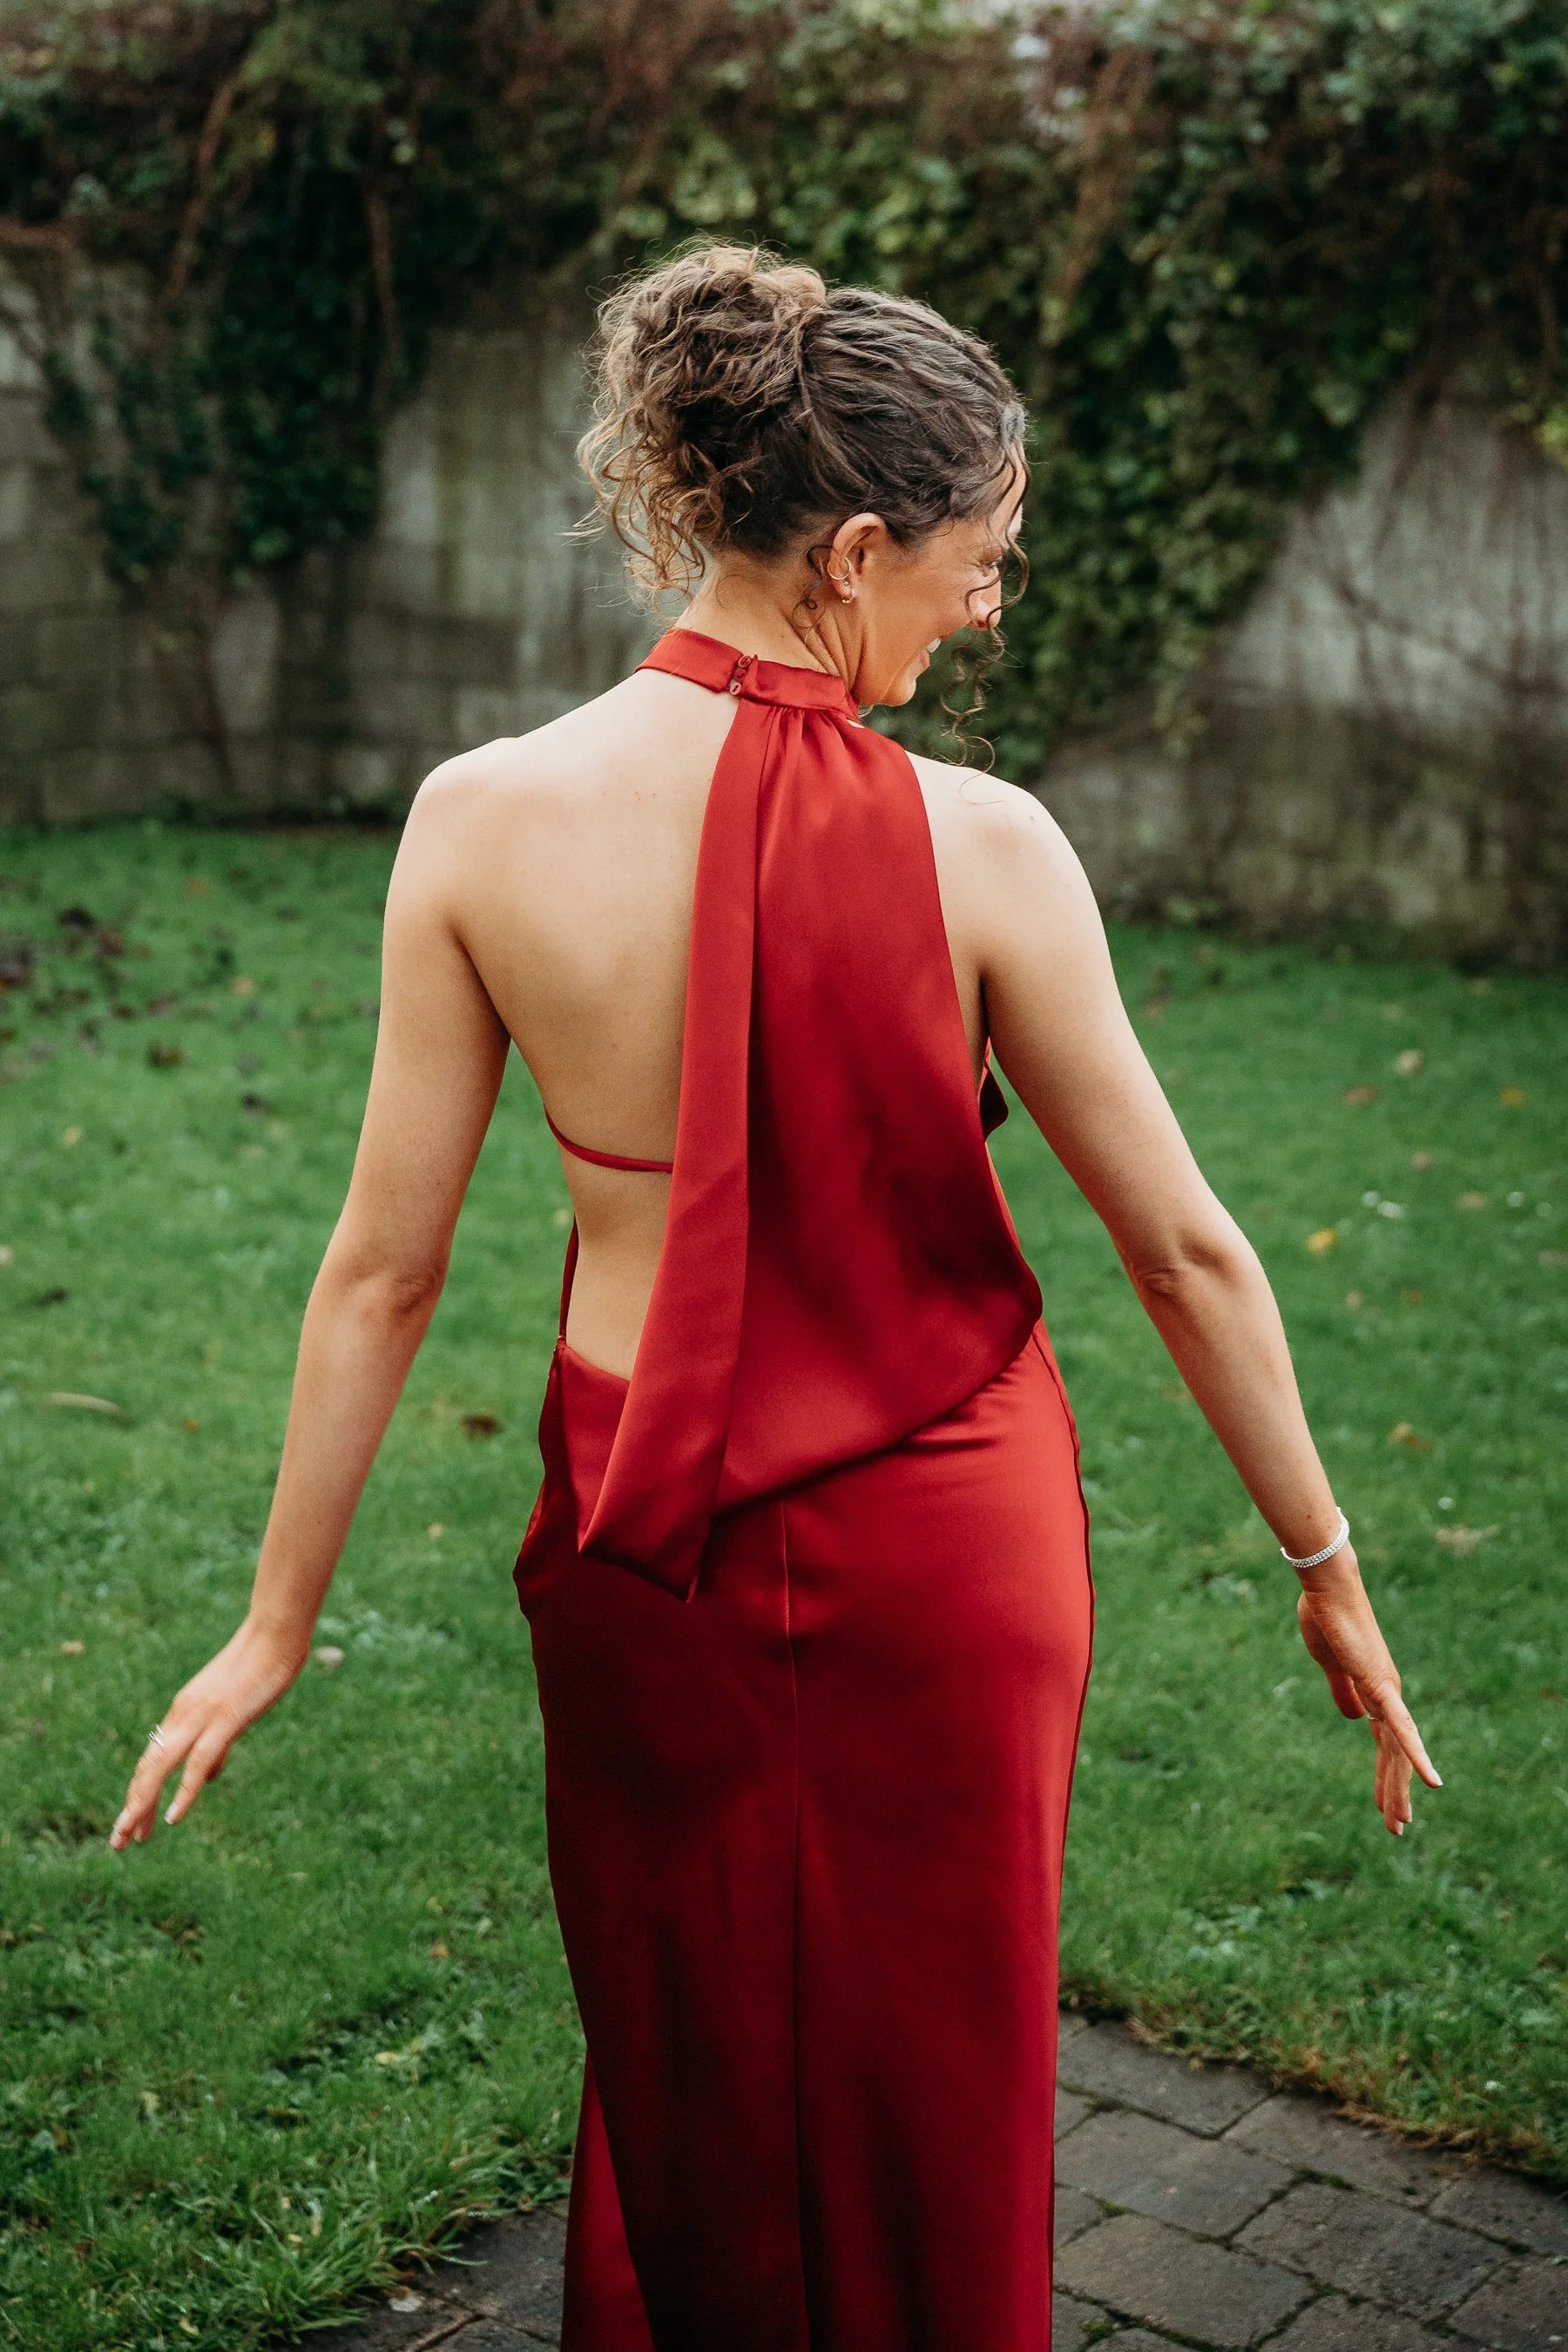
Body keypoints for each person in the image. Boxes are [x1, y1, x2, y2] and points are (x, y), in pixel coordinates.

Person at [112, 244, 1440, 2352]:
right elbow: (1184, 1250)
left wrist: (280, 1621)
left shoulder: (477, 821)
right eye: (979, 565)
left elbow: (383, 1268)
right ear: (853, 552)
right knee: (935, 2094)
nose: (986, 609)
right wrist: (1325, 1563)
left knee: (695, 2060)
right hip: (946, 1551)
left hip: (645, 1548)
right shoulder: (989, 848)